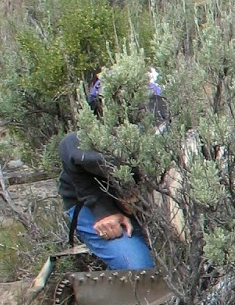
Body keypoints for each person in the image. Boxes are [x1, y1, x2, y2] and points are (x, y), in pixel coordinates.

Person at [56, 74, 159, 271]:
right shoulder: (88, 142)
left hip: (142, 206)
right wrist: (104, 211)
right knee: (139, 269)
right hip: (93, 206)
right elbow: (69, 148)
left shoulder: (163, 134)